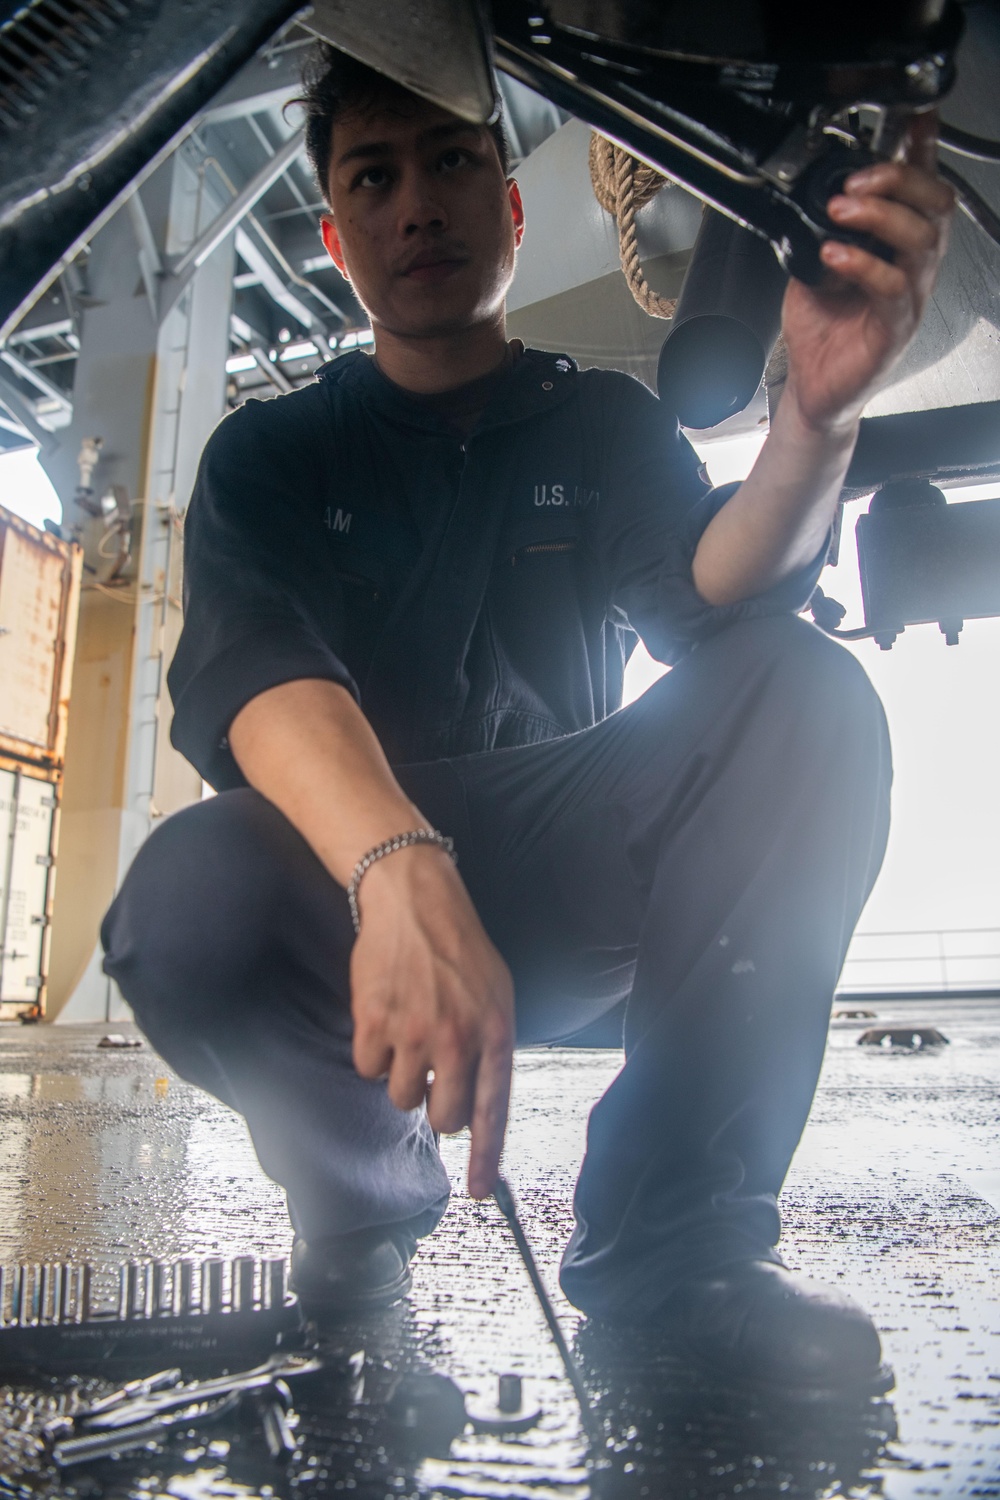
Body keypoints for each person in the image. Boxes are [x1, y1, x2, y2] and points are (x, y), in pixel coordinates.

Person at [102, 45, 953, 1394]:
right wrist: (398, 867)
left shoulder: (599, 424)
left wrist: (815, 421)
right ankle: (359, 1214)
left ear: (509, 208)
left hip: (569, 883)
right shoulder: (271, 457)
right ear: (333, 238)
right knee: (183, 897)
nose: (416, 206)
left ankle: (677, 1248)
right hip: (356, 917)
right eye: (373, 179)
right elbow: (258, 678)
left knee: (805, 691)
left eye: (451, 162)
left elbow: (714, 598)